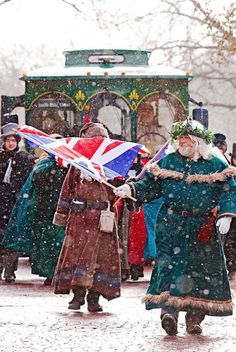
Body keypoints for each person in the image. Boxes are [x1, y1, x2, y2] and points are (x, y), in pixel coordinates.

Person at [114, 119, 236, 335]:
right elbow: (149, 186)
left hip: (202, 226)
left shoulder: (216, 165)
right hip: (171, 224)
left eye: (187, 139)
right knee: (170, 267)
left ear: (199, 142)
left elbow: (229, 190)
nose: (183, 143)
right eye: (180, 139)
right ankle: (169, 312)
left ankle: (194, 317)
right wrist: (131, 189)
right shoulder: (168, 162)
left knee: (201, 273)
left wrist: (227, 214)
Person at [53, 122, 122, 312]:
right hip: (79, 217)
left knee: (101, 258)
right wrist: (62, 213)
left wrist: (123, 188)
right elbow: (67, 190)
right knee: (78, 256)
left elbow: (118, 192)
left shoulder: (112, 166)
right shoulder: (77, 165)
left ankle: (94, 297)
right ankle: (78, 295)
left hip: (103, 219)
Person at [1, 145, 67, 285]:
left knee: (57, 242)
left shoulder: (68, 163)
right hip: (45, 210)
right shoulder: (46, 163)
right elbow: (37, 177)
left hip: (58, 209)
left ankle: (56, 272)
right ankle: (49, 273)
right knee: (48, 242)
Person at [0, 123, 35, 282]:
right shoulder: (1, 157)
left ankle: (9, 269)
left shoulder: (24, 158)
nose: (11, 143)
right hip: (2, 200)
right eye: (8, 140)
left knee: (12, 236)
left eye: (13, 140)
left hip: (16, 202)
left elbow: (27, 180)